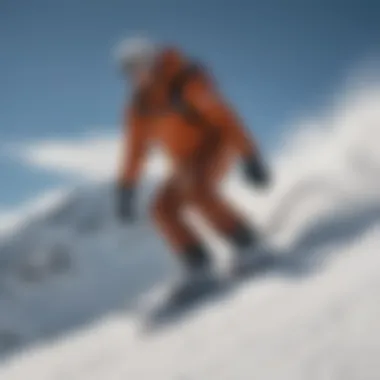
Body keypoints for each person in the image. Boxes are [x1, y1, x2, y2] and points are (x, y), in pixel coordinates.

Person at [114, 36, 271, 290]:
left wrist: (250, 156)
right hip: (185, 163)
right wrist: (126, 188)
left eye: (139, 65)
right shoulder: (139, 107)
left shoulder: (185, 83)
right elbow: (135, 150)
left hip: (214, 146)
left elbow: (225, 118)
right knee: (162, 208)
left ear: (153, 61)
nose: (135, 73)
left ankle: (249, 245)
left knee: (198, 192)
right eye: (128, 69)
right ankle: (198, 265)